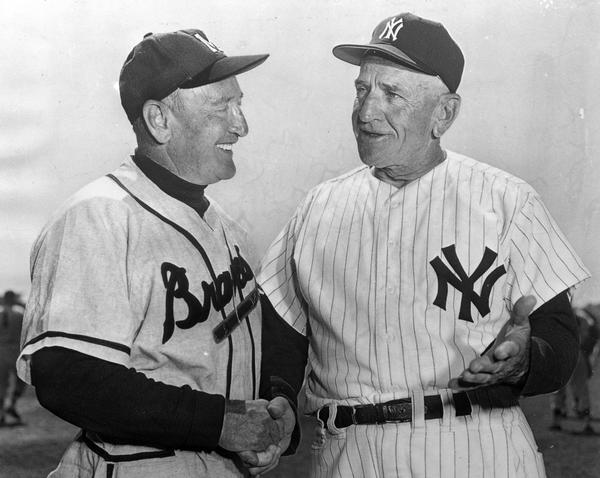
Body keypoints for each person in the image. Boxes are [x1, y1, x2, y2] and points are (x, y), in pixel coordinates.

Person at [258, 12, 590, 478]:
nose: (367, 112)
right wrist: (280, 397)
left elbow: (558, 334)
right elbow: (282, 333)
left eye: (392, 93)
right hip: (346, 453)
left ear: (444, 113)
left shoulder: (506, 200)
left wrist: (526, 359)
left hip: (474, 445)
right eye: (362, 90)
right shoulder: (318, 206)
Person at [17, 29, 295, 477]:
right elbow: (67, 376)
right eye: (221, 107)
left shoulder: (233, 231)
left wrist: (278, 406)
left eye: (239, 105)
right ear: (159, 120)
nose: (241, 125)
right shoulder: (98, 216)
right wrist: (218, 424)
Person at [550, 304, 599, 433]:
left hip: (566, 354)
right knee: (576, 389)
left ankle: (562, 422)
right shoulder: (580, 316)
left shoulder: (559, 317)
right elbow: (592, 332)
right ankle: (584, 424)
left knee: (562, 388)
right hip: (573, 354)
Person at [0, 290, 26, 426]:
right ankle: (12, 405)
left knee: (1, 385)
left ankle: (2, 414)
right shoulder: (19, 315)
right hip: (16, 352)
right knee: (22, 381)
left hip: (1, 352)